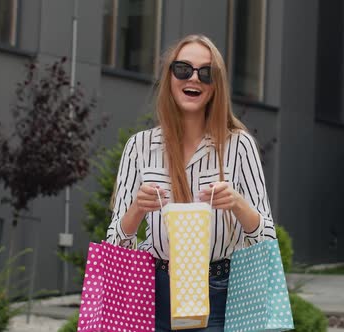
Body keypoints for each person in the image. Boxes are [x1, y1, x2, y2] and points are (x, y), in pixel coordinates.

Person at [106, 34, 277, 331]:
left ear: (216, 86)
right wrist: (136, 210)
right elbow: (116, 245)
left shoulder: (239, 146)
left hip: (222, 292)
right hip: (155, 291)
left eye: (206, 73)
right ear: (170, 76)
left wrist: (237, 203)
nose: (194, 78)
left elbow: (266, 239)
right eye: (183, 69)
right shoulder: (140, 147)